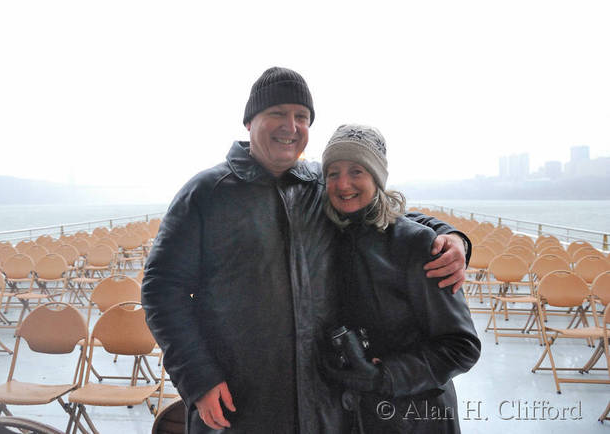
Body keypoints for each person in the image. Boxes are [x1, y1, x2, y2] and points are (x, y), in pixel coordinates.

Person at [142, 67, 472, 433]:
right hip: (239, 402)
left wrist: (451, 236)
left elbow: (384, 213)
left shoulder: (321, 184)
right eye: (277, 114)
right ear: (250, 122)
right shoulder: (206, 193)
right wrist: (198, 377)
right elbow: (161, 290)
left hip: (323, 403)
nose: (291, 126)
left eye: (302, 117)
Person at [320, 124, 481, 433]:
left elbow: (462, 346)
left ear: (377, 178)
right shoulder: (327, 233)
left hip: (418, 418)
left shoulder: (418, 244)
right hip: (355, 417)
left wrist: (387, 376)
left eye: (356, 171)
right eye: (333, 173)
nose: (343, 184)